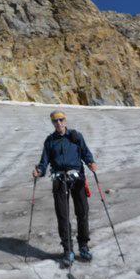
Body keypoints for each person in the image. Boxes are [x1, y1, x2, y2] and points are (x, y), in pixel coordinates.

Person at [32, 110, 97, 266]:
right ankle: (68, 249)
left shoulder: (75, 137)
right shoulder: (50, 141)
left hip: (77, 177)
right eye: (55, 121)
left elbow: (86, 154)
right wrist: (39, 171)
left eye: (61, 120)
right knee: (63, 215)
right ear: (52, 123)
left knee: (82, 212)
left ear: (65, 120)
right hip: (59, 179)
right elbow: (44, 161)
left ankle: (83, 245)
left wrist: (91, 162)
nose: (59, 123)